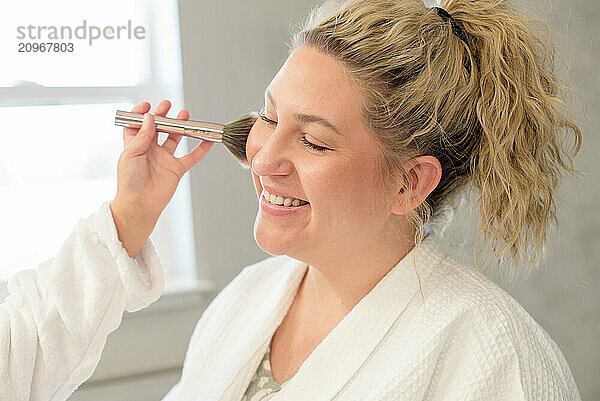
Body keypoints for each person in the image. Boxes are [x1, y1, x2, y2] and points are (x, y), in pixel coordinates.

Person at [0, 0, 583, 400]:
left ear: (408, 183)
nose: (261, 158)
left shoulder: (494, 359)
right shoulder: (248, 299)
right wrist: (127, 217)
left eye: (312, 140)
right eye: (268, 117)